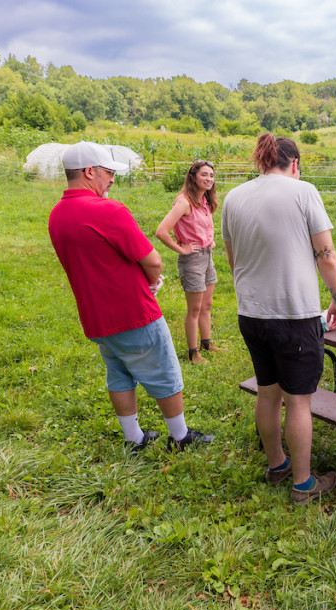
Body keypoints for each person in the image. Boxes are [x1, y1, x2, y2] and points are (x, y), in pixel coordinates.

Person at [48, 141, 214, 453]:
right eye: (108, 173)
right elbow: (153, 260)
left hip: (96, 318)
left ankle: (134, 438)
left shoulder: (57, 214)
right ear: (89, 172)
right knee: (165, 372)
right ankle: (180, 437)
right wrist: (152, 282)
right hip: (134, 312)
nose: (111, 179)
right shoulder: (108, 210)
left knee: (119, 374)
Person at [221, 133, 336, 505]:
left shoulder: (233, 197)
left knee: (267, 391)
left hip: (251, 313)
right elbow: (326, 254)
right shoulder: (303, 191)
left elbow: (233, 260)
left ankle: (277, 465)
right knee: (299, 401)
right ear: (294, 164)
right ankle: (303, 484)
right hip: (293, 314)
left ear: (263, 162)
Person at [155, 160, 222, 365]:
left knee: (207, 304)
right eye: (204, 175)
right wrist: (182, 248)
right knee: (194, 309)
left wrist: (209, 241)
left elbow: (202, 228)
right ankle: (193, 354)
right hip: (192, 260)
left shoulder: (204, 201)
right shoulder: (184, 202)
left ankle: (206, 343)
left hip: (206, 256)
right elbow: (161, 232)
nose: (209, 179)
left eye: (211, 175)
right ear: (193, 177)